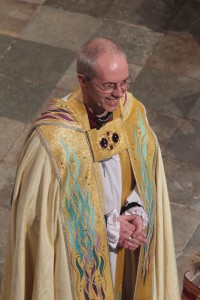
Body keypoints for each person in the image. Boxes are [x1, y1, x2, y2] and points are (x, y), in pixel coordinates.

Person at [0, 38, 180, 300]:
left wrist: (136, 210)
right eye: (108, 86)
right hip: (74, 269)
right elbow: (40, 224)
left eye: (124, 82)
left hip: (125, 251)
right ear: (82, 81)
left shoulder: (131, 112)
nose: (119, 94)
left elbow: (143, 177)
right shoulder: (54, 139)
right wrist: (107, 228)